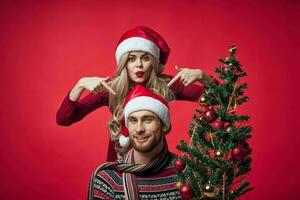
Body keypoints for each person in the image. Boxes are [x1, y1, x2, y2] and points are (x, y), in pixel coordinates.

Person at [56, 26, 213, 161]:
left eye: (145, 58)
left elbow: (221, 98)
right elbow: (64, 119)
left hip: (157, 165)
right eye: (132, 59)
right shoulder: (111, 88)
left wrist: (203, 76)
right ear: (124, 62)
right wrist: (80, 84)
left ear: (153, 61)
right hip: (119, 166)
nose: (139, 65)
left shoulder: (168, 85)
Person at [88, 84, 188, 200]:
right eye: (133, 121)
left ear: (164, 125)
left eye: (148, 120)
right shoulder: (108, 179)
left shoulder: (187, 172)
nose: (139, 129)